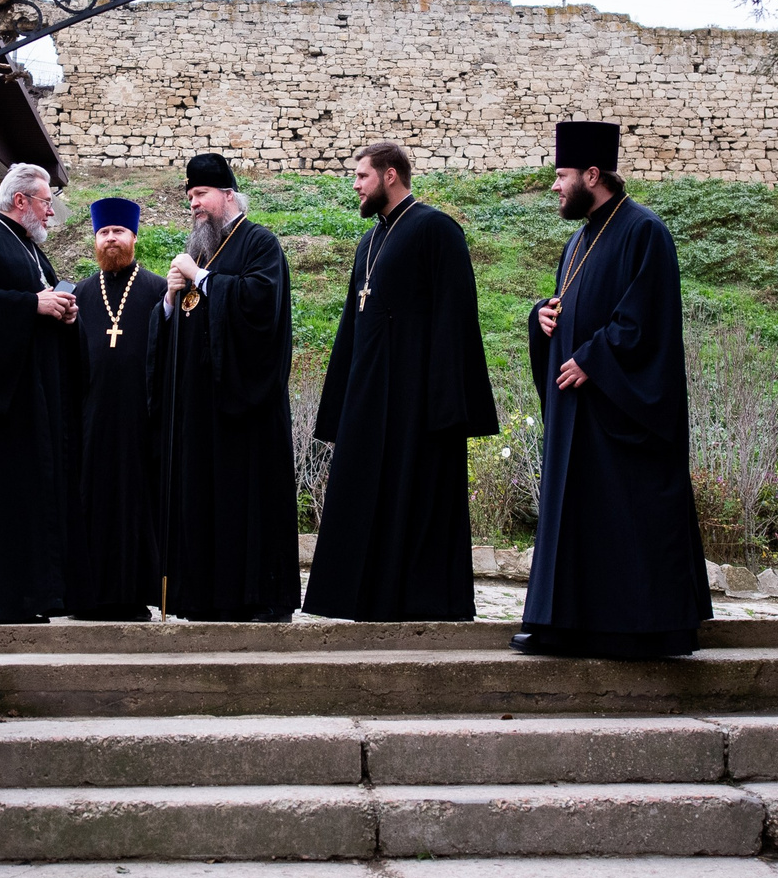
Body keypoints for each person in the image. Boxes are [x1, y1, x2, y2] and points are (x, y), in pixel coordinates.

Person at [517, 121, 711, 658]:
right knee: (578, 518)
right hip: (581, 410)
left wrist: (594, 358)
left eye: (562, 175)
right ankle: (565, 622)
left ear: (592, 174)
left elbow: (646, 319)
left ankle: (636, 628)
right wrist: (542, 317)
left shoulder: (644, 231)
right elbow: (570, 304)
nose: (554, 186)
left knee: (624, 519)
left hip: (621, 413)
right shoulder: (579, 239)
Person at [304, 142, 499, 620]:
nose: (355, 185)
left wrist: (444, 404)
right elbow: (351, 325)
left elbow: (455, 317)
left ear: (390, 175)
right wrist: (342, 405)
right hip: (369, 398)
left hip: (417, 402)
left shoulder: (436, 229)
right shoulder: (369, 241)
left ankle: (417, 602)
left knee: (414, 500)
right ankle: (363, 599)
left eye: (362, 176)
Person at [154, 152, 301, 621]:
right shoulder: (201, 251)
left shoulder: (260, 243)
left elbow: (259, 304)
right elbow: (181, 329)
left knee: (246, 503)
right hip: (201, 410)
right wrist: (169, 300)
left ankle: (256, 599)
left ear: (228, 195)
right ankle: (203, 599)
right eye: (190, 197)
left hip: (245, 408)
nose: (194, 203)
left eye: (201, 194)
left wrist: (201, 278)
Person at [0, 162, 83, 624]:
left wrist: (62, 311)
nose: (51, 212)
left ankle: (38, 596)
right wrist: (32, 303)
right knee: (7, 498)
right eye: (47, 202)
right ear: (21, 201)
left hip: (35, 396)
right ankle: (2, 599)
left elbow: (40, 302)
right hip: (4, 403)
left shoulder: (30, 248)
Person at [66, 197, 165, 621]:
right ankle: (88, 598)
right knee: (92, 500)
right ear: (95, 239)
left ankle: (133, 595)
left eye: (118, 232)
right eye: (104, 233)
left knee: (136, 502)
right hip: (92, 417)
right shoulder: (82, 292)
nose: (111, 239)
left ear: (134, 237)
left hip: (142, 417)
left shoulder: (158, 290)